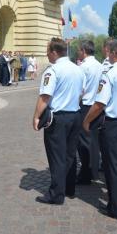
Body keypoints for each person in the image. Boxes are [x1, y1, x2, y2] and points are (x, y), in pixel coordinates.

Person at [82, 40, 117, 220]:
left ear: (114, 53)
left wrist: (86, 120)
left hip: (113, 124)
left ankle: (116, 208)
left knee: (112, 167)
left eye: (109, 51)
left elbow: (100, 103)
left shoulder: (110, 74)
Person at [32, 37, 84, 205]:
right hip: (75, 115)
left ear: (54, 52)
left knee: (57, 157)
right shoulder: (78, 69)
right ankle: (69, 188)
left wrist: (36, 116)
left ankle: (56, 194)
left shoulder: (53, 70)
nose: (46, 54)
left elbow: (45, 96)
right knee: (70, 155)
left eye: (48, 51)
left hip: (59, 118)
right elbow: (82, 92)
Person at [75, 40, 103, 184]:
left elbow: (81, 89)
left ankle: (85, 174)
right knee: (94, 140)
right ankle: (94, 171)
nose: (77, 52)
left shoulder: (83, 67)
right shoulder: (100, 65)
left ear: (84, 51)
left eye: (79, 50)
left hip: (86, 106)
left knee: (83, 142)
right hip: (98, 106)